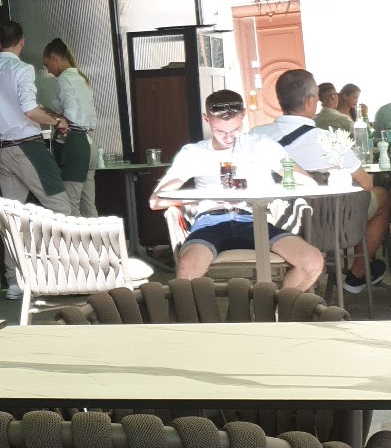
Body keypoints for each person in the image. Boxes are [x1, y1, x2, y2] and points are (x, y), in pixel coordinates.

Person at [149, 87, 325, 290]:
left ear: (243, 116)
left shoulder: (261, 146)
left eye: (235, 130)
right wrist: (205, 196)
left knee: (312, 262)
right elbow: (156, 201)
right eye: (220, 131)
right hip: (211, 220)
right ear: (207, 120)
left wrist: (266, 187)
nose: (228, 137)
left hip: (255, 218)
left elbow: (307, 182)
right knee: (187, 269)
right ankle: (205, 312)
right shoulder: (194, 153)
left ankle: (278, 309)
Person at [256, 68, 388, 293]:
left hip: (274, 223)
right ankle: (357, 273)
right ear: (310, 101)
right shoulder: (328, 139)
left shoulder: (255, 136)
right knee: (382, 196)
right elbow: (366, 184)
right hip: (327, 225)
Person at [0, 19, 70, 299]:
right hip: (28, 147)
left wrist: (5, 118)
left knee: (13, 218)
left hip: (2, 150)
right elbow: (29, 109)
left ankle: (15, 282)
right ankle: (69, 274)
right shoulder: (22, 69)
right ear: (22, 42)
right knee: (61, 207)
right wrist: (57, 121)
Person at [42, 37, 97, 217]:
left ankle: (75, 237)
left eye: (47, 64)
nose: (48, 70)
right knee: (88, 205)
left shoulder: (64, 79)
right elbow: (85, 115)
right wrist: (52, 113)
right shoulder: (81, 78)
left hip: (74, 145)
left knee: (70, 205)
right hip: (89, 144)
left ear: (54, 58)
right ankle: (97, 236)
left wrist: (48, 116)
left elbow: (71, 116)